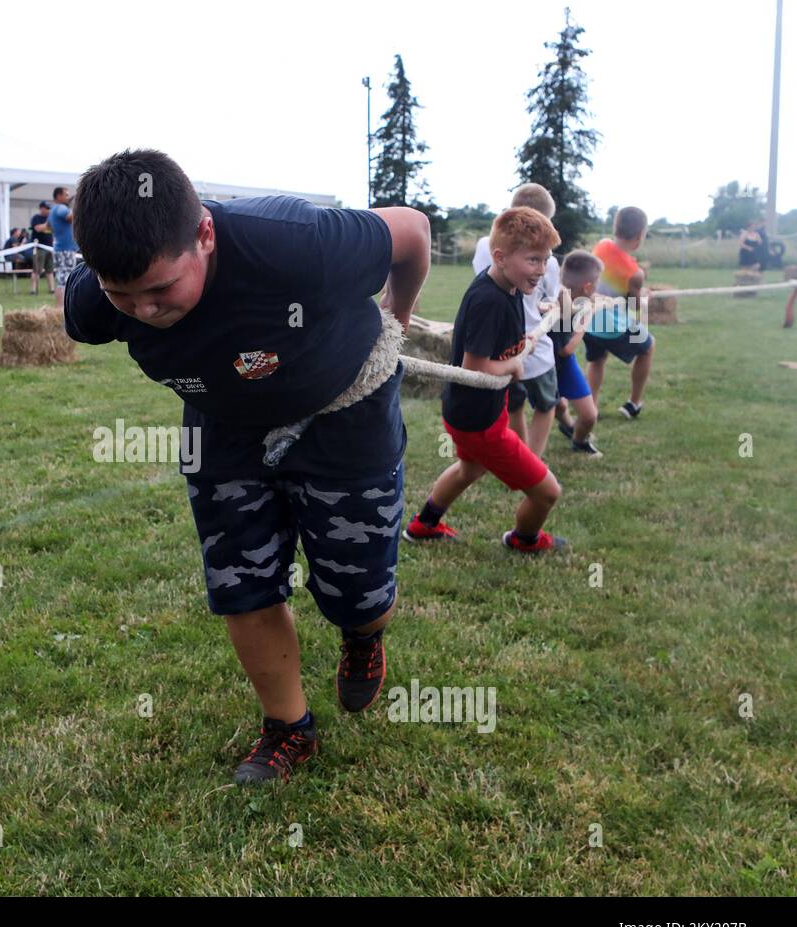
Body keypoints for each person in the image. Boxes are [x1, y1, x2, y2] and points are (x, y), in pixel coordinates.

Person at [64, 148, 430, 785]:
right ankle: (288, 726)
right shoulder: (93, 305)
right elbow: (114, 302)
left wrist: (394, 323)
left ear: (205, 233)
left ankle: (362, 633)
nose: (144, 310)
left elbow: (414, 231)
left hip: (342, 417)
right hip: (225, 429)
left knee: (359, 594)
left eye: (159, 289)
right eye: (122, 295)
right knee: (242, 583)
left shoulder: (297, 241)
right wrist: (124, 298)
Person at [405, 207, 567, 554]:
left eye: (545, 261)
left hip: (471, 412)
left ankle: (423, 524)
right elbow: (476, 367)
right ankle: (525, 540)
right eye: (533, 260)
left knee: (469, 468)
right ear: (500, 256)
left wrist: (524, 343)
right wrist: (511, 366)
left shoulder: (507, 287)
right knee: (548, 492)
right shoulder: (488, 300)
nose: (540, 271)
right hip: (479, 422)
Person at [472, 184, 560, 456]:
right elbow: (550, 302)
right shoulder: (551, 262)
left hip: (501, 348)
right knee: (546, 406)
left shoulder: (485, 246)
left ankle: (520, 458)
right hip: (536, 349)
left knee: (515, 406)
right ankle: (532, 462)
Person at [588, 206, 655, 420]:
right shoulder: (635, 272)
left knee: (597, 360)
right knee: (648, 347)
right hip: (610, 325)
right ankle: (634, 403)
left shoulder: (601, 246)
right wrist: (642, 296)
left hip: (588, 321)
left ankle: (591, 408)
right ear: (639, 236)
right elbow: (635, 305)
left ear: (615, 228)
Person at [551, 251, 604, 457]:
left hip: (565, 365)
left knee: (590, 415)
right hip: (544, 366)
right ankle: (567, 425)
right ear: (588, 286)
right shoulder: (559, 304)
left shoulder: (581, 300)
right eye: (598, 281)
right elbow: (565, 349)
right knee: (557, 406)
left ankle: (579, 441)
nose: (599, 285)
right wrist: (585, 321)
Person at [50, 186, 78, 305]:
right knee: (65, 279)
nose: (67, 197)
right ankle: (61, 307)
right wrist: (79, 206)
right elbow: (71, 217)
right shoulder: (61, 208)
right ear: (59, 196)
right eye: (66, 195)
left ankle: (60, 308)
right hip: (65, 249)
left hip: (61, 249)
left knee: (62, 278)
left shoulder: (53, 209)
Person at [29, 200, 55, 294]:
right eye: (47, 208)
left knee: (50, 270)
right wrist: (47, 224)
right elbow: (38, 228)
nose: (48, 210)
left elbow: (54, 230)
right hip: (39, 248)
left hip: (49, 247)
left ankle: (52, 289)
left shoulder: (51, 218)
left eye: (49, 209)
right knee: (37, 270)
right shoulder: (36, 218)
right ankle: (33, 289)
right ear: (41, 208)